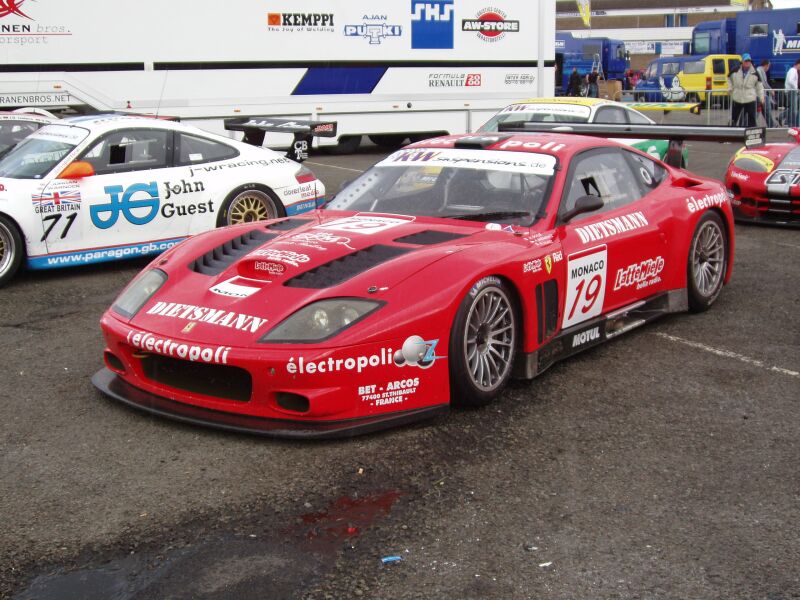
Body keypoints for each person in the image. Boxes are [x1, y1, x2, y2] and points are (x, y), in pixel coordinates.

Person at [729, 53, 764, 127]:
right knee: (734, 118)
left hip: (750, 99)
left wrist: (762, 97)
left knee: (752, 119)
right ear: (742, 61)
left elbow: (759, 86)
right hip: (737, 98)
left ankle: (753, 135)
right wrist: (730, 88)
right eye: (746, 61)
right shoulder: (735, 70)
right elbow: (728, 79)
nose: (747, 62)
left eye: (749, 61)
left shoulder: (755, 72)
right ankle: (732, 134)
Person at [756, 59, 775, 127]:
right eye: (769, 66)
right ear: (766, 65)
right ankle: (771, 125)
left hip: (760, 94)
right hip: (761, 94)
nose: (768, 68)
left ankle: (771, 124)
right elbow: (764, 83)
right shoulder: (760, 71)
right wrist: (771, 90)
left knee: (763, 111)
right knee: (765, 110)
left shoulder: (759, 70)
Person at [786, 58, 800, 128]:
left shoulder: (793, 70)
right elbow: (791, 81)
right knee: (793, 109)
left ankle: (791, 123)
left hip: (791, 91)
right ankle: (792, 124)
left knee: (792, 109)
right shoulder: (793, 71)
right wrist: (796, 88)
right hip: (792, 91)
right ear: (798, 64)